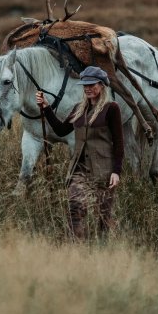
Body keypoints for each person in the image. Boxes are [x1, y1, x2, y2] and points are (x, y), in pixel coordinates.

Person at [35, 65, 123, 239]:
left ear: (102, 85)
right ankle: (76, 246)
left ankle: (105, 248)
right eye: (85, 85)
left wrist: (116, 171)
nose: (88, 88)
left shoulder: (111, 108)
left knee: (103, 216)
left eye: (92, 84)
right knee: (75, 206)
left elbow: (119, 143)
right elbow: (60, 130)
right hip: (79, 169)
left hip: (103, 170)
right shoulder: (78, 109)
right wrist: (46, 107)